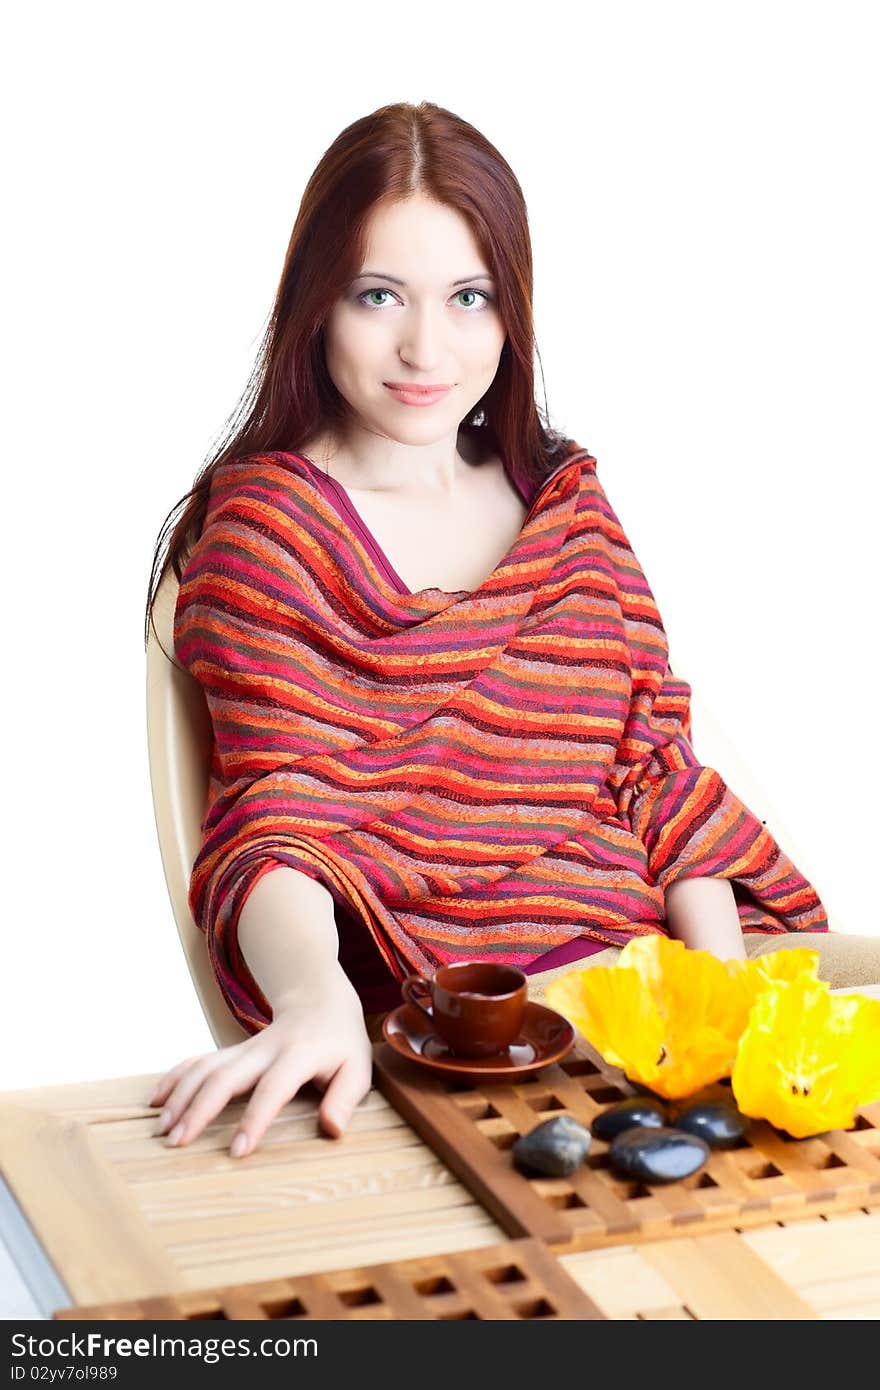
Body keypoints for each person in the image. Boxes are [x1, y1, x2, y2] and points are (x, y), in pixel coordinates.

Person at [144, 100, 880, 1161]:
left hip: (657, 988)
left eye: (468, 297)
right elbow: (277, 818)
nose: (423, 347)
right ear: (317, 304)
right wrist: (314, 1000)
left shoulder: (565, 505)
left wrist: (724, 1012)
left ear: (511, 311)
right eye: (378, 294)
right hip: (479, 1028)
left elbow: (659, 777)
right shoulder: (270, 529)